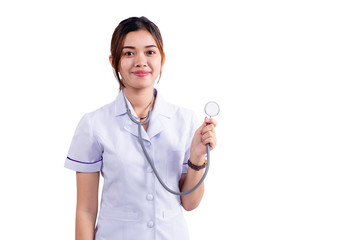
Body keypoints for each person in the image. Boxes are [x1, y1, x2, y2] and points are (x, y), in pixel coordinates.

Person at [65, 16, 217, 240]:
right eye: (128, 53)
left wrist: (196, 158)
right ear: (114, 61)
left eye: (150, 52)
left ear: (162, 59)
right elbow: (86, 211)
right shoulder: (94, 124)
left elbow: (190, 203)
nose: (140, 61)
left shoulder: (185, 120)